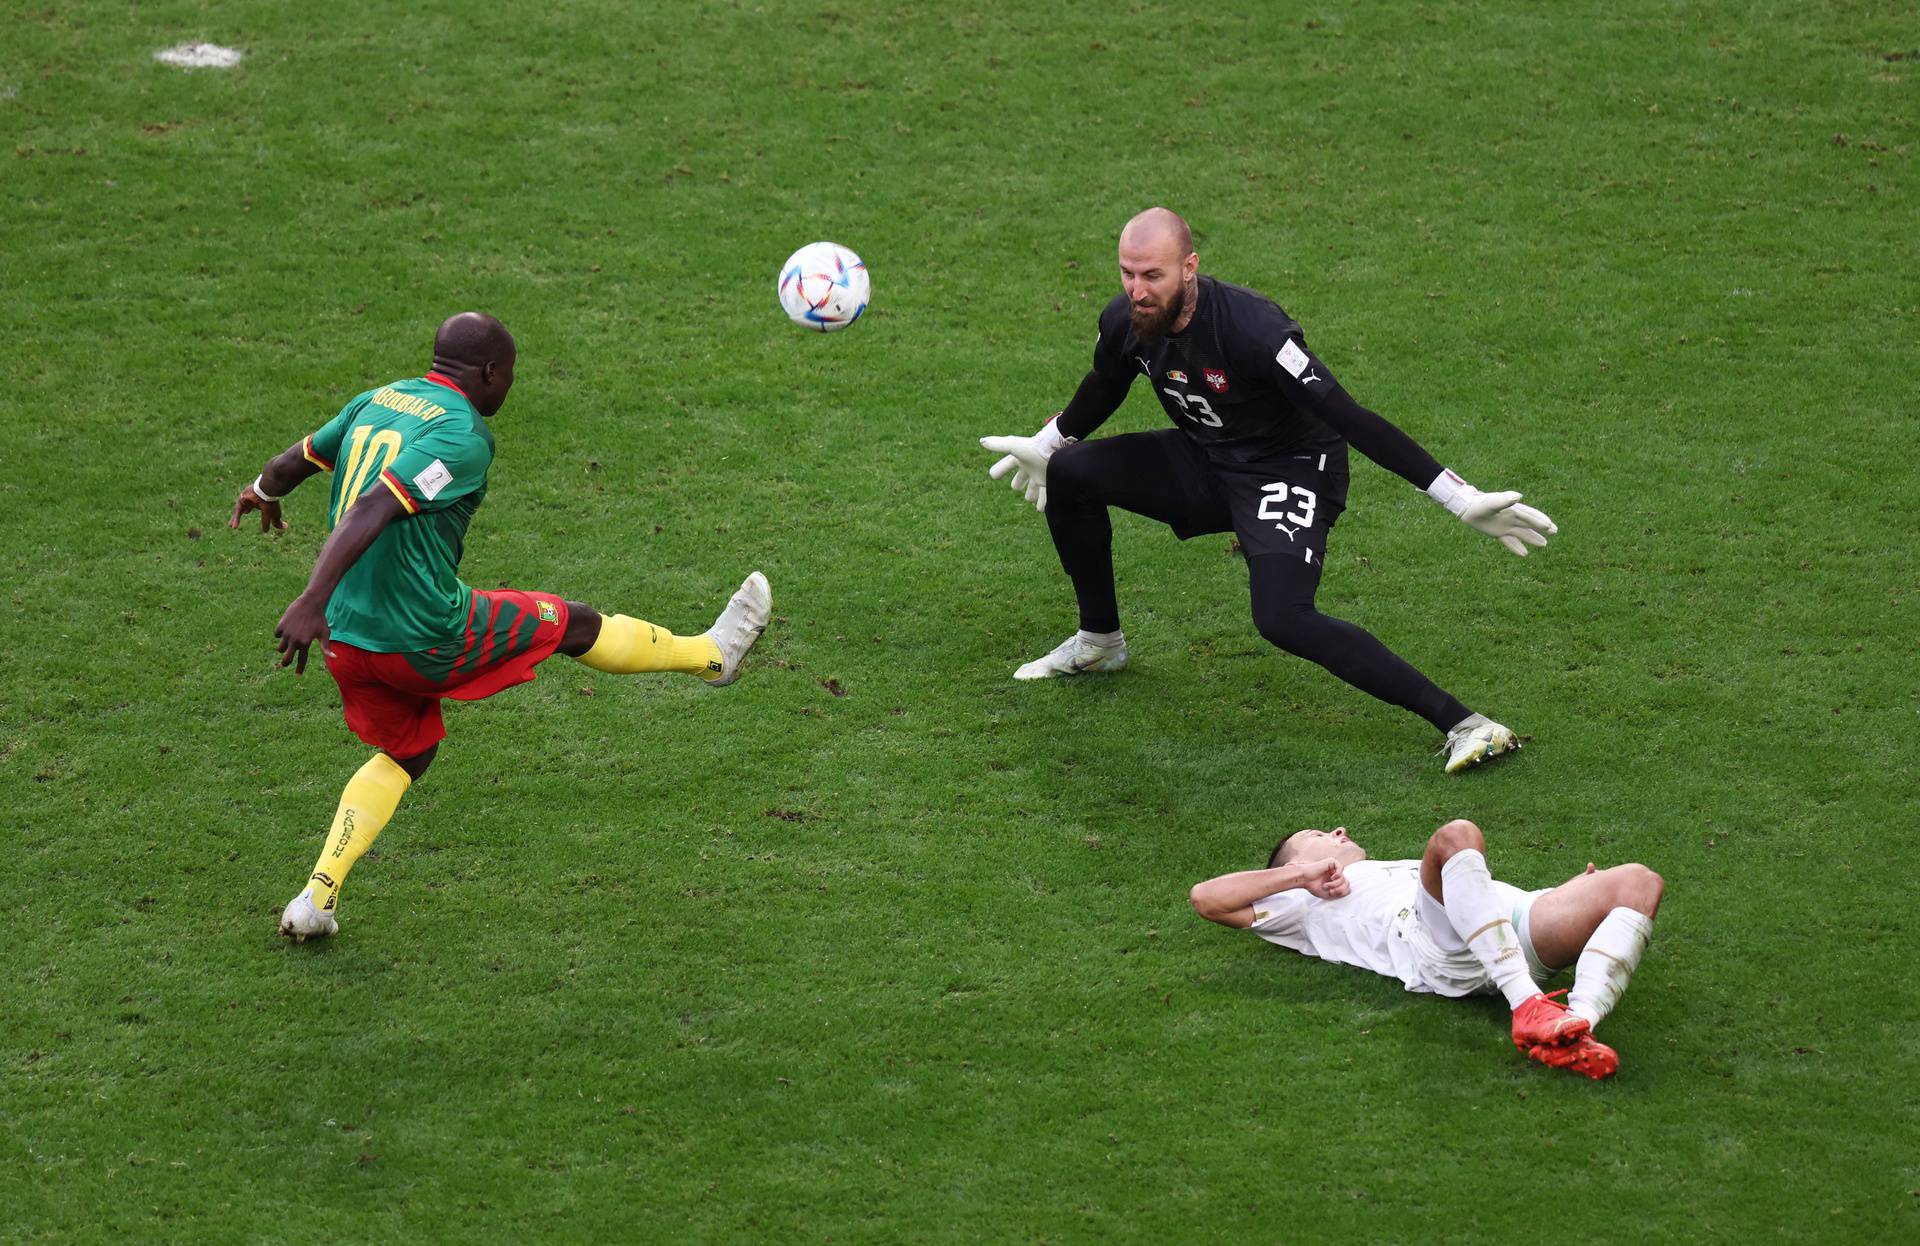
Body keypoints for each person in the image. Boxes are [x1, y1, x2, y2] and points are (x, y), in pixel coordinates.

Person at [229, 312, 770, 941]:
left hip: (348, 642)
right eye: (508, 376)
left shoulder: (374, 401)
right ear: (488, 373)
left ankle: (316, 899)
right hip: (425, 633)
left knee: (409, 750)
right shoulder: (464, 436)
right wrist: (308, 597)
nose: (508, 389)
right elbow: (378, 504)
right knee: (570, 623)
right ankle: (712, 656)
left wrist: (264, 491)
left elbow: (297, 459)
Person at [980, 207, 1557, 772]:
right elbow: (1105, 384)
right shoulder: (1128, 319)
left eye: (1152, 275)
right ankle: (1100, 642)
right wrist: (1051, 441)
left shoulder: (1255, 331)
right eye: (1127, 273)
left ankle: (1466, 724)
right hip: (1206, 459)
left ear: (1189, 268)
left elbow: (1350, 418)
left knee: (1283, 617)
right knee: (1073, 473)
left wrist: (1459, 498)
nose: (1137, 290)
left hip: (1290, 469)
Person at [1189, 818, 1662, 1079]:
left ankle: (1577, 1028)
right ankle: (1529, 1006)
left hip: (1515, 926)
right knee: (1456, 837)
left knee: (1640, 882)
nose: (1336, 831)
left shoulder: (1388, 869)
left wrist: (1566, 894)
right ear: (1293, 865)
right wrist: (1299, 877)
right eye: (1316, 837)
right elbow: (1205, 898)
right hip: (1433, 950)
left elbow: (1475, 898)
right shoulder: (1297, 904)